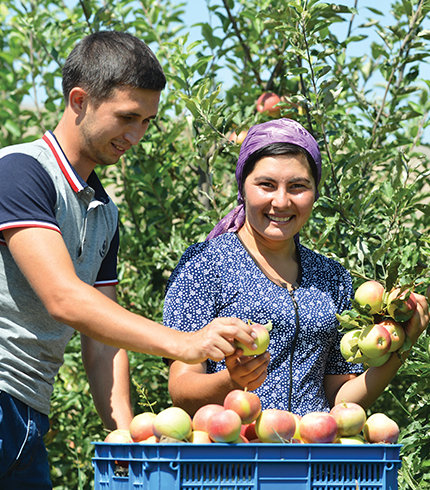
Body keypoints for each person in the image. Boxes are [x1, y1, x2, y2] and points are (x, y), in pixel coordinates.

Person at [0, 31, 259, 490]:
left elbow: (102, 338)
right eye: (127, 117)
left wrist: (125, 436)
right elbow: (64, 298)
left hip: (26, 413)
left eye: (147, 122)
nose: (136, 136)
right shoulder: (21, 172)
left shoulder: (104, 211)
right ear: (79, 100)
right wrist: (187, 344)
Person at [163, 118, 429, 418]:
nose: (281, 201)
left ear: (314, 192)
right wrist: (232, 381)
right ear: (243, 187)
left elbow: (339, 401)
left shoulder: (332, 278)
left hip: (312, 455)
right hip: (235, 455)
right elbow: (182, 390)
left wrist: (401, 346)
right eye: (266, 185)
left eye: (298, 186)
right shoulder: (204, 265)